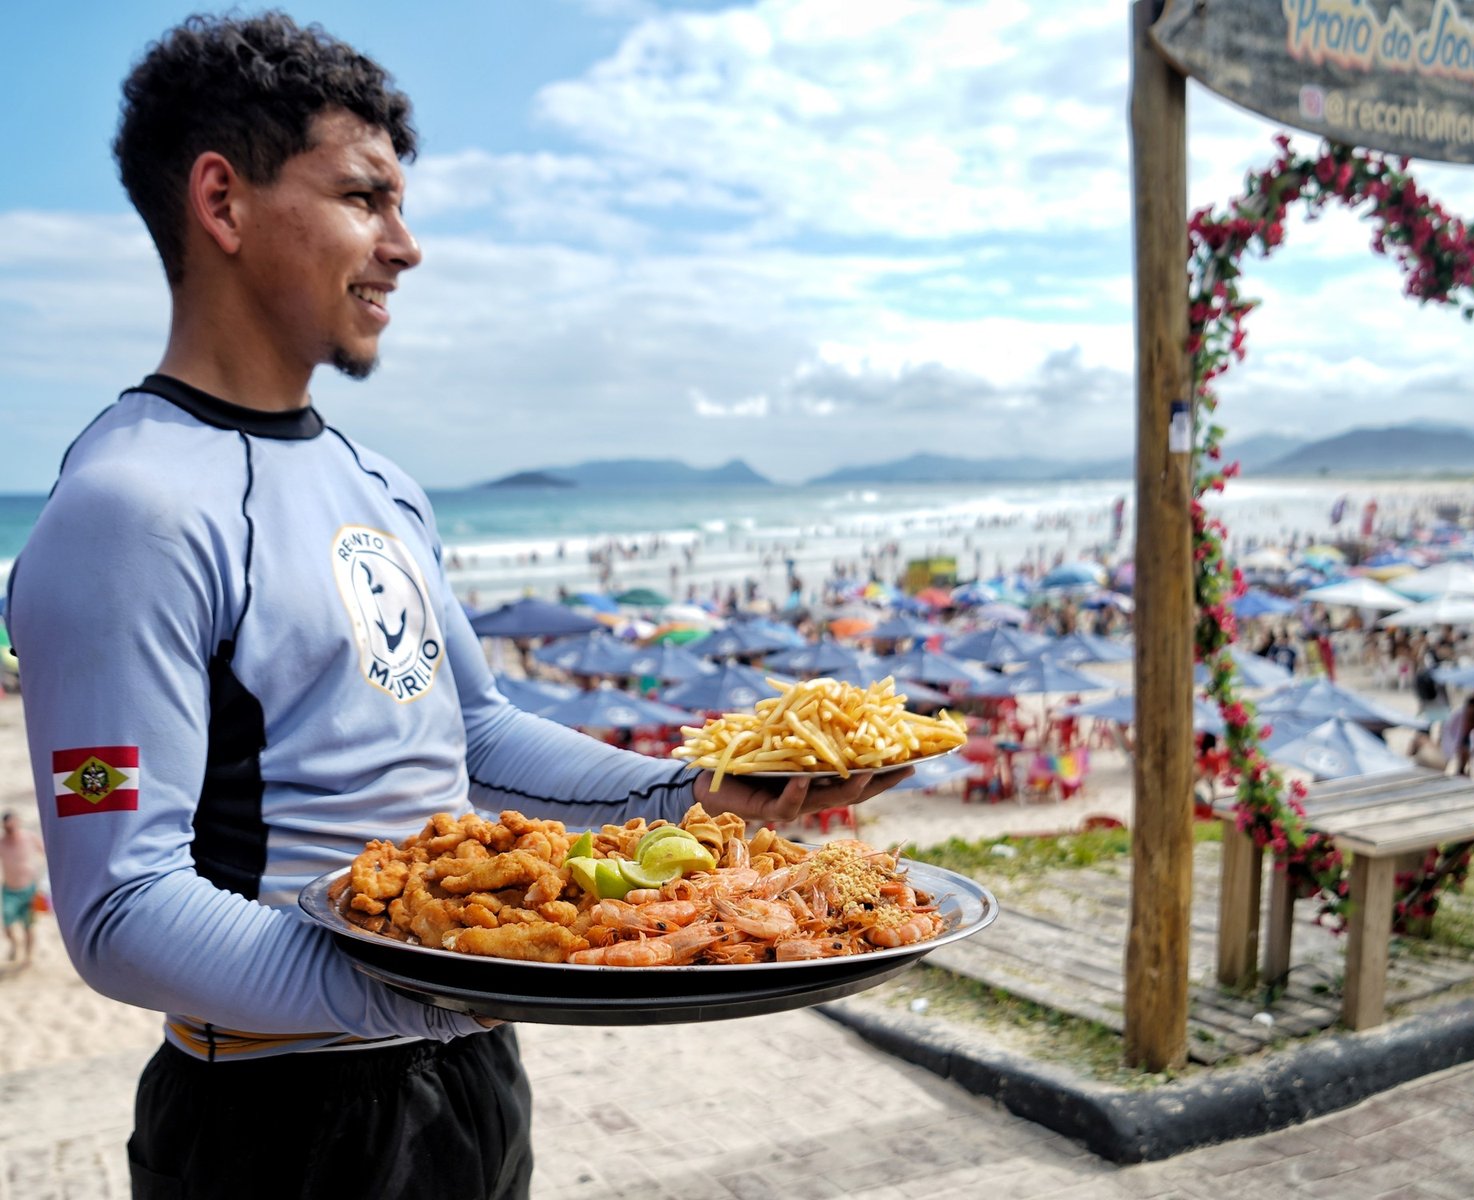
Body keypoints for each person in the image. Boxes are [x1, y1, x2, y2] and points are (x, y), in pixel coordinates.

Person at [2, 14, 905, 1199]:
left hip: (472, 1082)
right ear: (221, 203)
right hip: (277, 1115)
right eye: (364, 198)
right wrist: (452, 971)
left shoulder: (384, 488)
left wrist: (699, 788)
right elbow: (121, 909)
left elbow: (469, 737)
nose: (406, 245)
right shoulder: (128, 508)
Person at [1, 811, 45, 967]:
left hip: (29, 890)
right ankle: (14, 944)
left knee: (29, 925)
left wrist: (44, 883)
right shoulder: (2, 842)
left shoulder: (30, 838)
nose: (10, 830)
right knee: (7, 924)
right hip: (9, 891)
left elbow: (46, 854)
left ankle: (28, 956)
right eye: (7, 828)